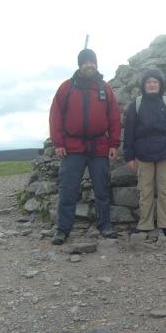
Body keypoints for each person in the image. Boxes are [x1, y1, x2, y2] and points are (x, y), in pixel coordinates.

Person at [49, 48, 122, 245]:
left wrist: (113, 143)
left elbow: (114, 117)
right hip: (72, 147)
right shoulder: (67, 87)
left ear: (96, 64)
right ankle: (63, 229)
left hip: (99, 146)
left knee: (102, 189)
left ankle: (105, 225)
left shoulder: (104, 88)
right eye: (86, 62)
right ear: (80, 65)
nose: (89, 65)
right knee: (68, 190)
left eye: (92, 62)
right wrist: (58, 143)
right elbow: (56, 115)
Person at [123, 69, 166, 240]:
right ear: (144, 85)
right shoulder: (136, 104)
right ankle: (145, 224)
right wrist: (129, 156)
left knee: (165, 190)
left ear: (160, 85)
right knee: (145, 190)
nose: (151, 85)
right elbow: (129, 133)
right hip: (143, 153)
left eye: (155, 82)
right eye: (148, 82)